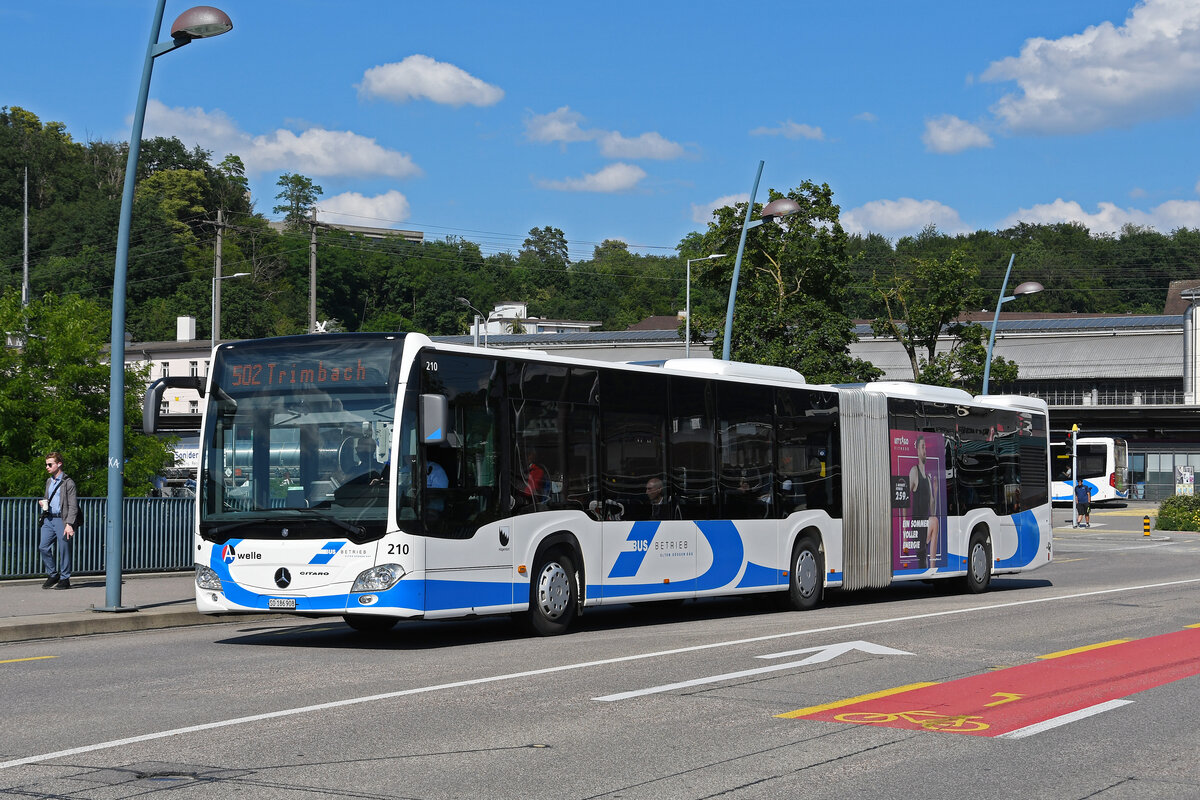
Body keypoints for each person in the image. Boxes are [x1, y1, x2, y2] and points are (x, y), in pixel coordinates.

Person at [39, 452, 80, 590]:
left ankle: (65, 578)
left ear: (59, 464)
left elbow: (73, 505)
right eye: (46, 464)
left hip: (62, 519)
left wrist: (69, 524)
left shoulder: (69, 483)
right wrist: (43, 503)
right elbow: (47, 497)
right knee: (43, 547)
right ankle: (53, 574)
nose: (47, 467)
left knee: (64, 550)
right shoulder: (49, 481)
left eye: (50, 464)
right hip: (49, 518)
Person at [909, 435, 940, 569]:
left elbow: (933, 511)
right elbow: (903, 497)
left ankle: (932, 566)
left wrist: (936, 490)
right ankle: (932, 567)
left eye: (925, 448)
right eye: (922, 447)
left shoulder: (927, 478)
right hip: (917, 526)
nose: (925, 451)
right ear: (917, 450)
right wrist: (905, 532)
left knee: (935, 520)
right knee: (935, 521)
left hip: (925, 526)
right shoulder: (914, 471)